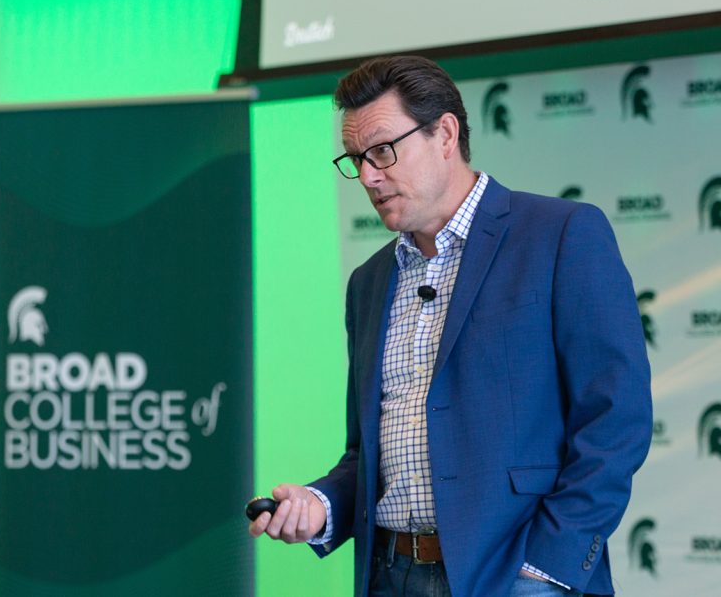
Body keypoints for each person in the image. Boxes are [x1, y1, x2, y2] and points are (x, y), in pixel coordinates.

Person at [249, 56, 652, 597]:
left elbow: (615, 419)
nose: (368, 175)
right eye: (356, 159)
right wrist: (318, 505)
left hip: (515, 577)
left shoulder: (561, 237)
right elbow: (366, 454)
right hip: (390, 574)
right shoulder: (368, 283)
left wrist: (544, 571)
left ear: (444, 133)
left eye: (383, 151)